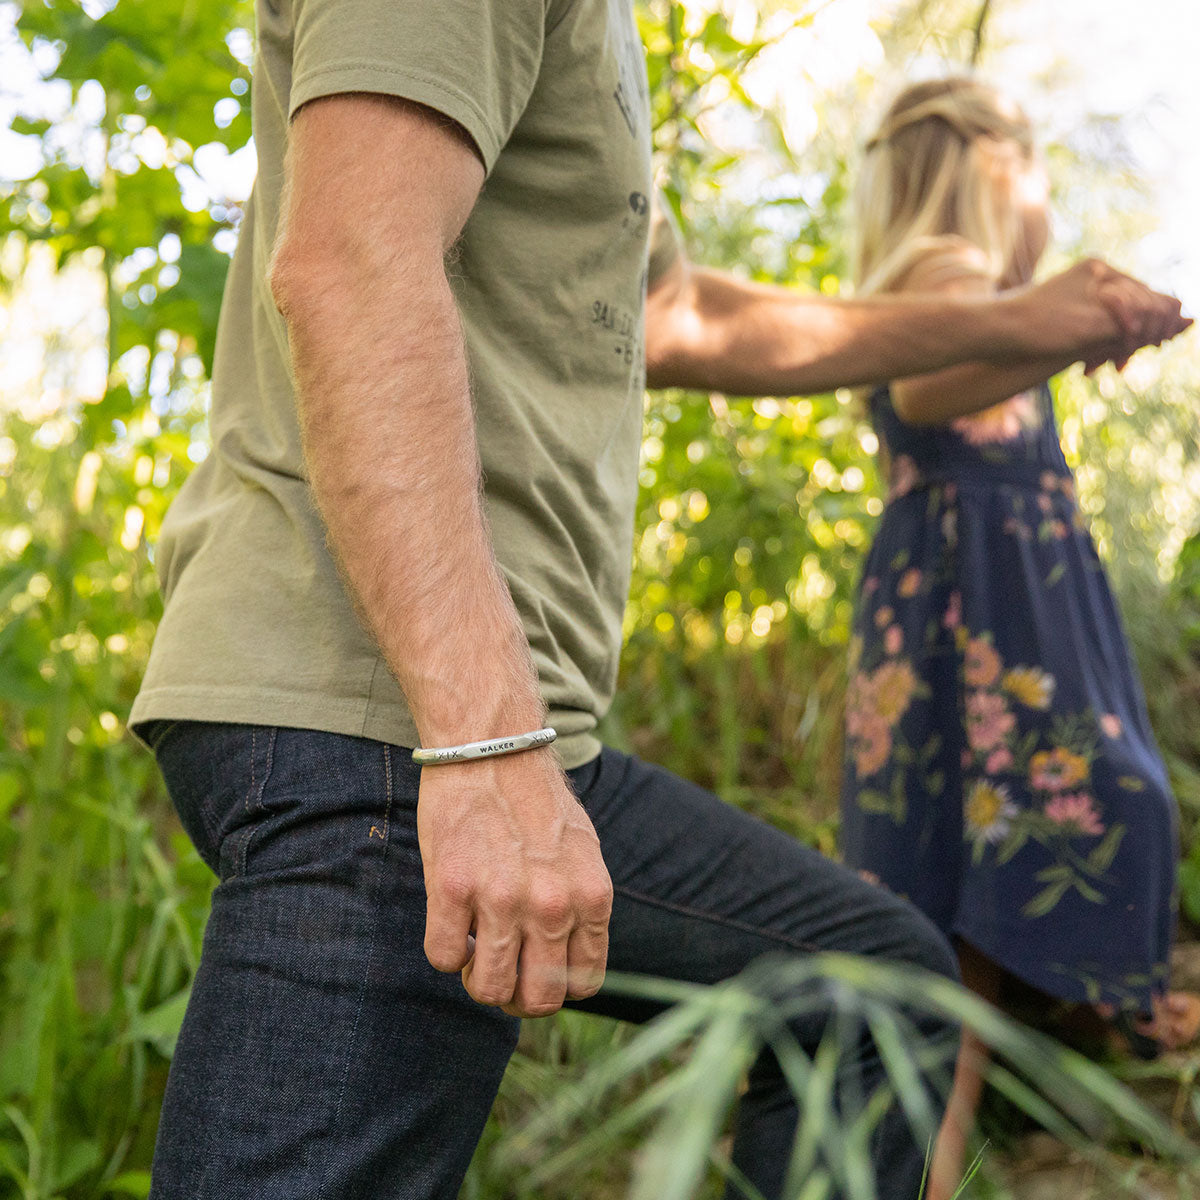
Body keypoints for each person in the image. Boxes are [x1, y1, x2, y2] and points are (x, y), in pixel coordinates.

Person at [127, 1, 1188, 1194]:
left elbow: (682, 314)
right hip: (385, 724)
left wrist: (1019, 319)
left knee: (873, 988)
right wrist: (482, 744)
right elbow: (351, 260)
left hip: (485, 729)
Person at [838, 76, 1196, 1200]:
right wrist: (1066, 324)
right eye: (1034, 164)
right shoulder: (948, 267)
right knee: (1012, 866)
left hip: (1002, 601)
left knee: (961, 907)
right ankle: (1095, 1027)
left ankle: (961, 1138)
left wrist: (1062, 337)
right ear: (991, 166)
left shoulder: (963, 287)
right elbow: (926, 388)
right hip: (979, 611)